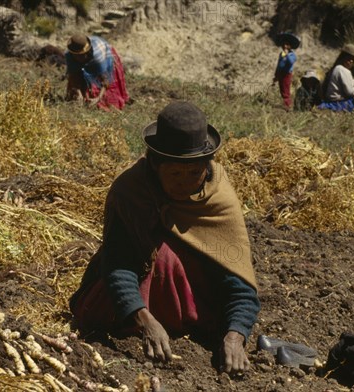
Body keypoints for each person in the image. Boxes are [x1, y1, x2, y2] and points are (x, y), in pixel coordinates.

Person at [69, 101, 261, 374]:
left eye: (194, 173)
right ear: (155, 166)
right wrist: (144, 318)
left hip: (196, 306)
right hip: (127, 306)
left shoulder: (219, 199)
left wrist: (235, 335)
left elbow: (236, 277)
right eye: (174, 173)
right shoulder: (130, 191)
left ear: (206, 167)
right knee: (163, 256)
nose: (184, 183)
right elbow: (117, 261)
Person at [65, 34, 129, 111]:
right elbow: (74, 76)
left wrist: (98, 98)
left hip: (104, 53)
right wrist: (79, 93)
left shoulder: (98, 57)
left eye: (80, 56)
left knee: (109, 100)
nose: (78, 58)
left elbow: (105, 81)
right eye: (76, 56)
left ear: (85, 53)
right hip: (89, 55)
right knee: (74, 96)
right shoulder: (69, 55)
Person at [272, 32, 299, 111]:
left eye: (287, 44)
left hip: (287, 74)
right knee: (282, 89)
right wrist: (276, 75)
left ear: (290, 46)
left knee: (285, 89)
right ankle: (286, 104)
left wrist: (287, 55)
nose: (285, 46)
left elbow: (290, 62)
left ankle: (288, 105)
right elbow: (279, 64)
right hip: (281, 74)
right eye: (283, 44)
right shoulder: (282, 54)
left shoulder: (292, 55)